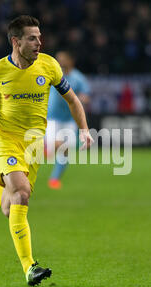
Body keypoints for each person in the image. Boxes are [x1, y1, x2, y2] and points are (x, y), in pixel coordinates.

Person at [0, 15, 93, 286]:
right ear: (16, 42)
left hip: (34, 144)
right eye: (32, 38)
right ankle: (30, 267)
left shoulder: (49, 65)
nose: (39, 42)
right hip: (6, 139)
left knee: (10, 206)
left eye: (40, 37)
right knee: (22, 192)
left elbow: (73, 99)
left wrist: (85, 129)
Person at [45, 50, 90, 189]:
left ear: (71, 60)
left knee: (66, 150)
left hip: (70, 118)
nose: (60, 62)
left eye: (63, 59)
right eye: (58, 59)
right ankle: (45, 147)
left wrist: (81, 99)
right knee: (56, 145)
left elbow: (86, 96)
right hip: (52, 116)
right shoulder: (53, 74)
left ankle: (54, 178)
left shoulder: (78, 78)